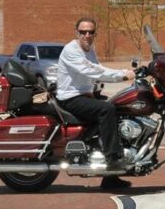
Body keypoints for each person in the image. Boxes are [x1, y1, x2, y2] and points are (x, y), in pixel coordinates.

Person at [56, 17, 134, 189]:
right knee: (107, 110)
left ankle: (110, 178)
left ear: (95, 34)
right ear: (76, 33)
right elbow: (92, 70)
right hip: (70, 97)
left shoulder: (90, 49)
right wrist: (121, 74)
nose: (87, 35)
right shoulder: (71, 50)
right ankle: (112, 159)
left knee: (119, 109)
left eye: (91, 32)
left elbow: (96, 69)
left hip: (84, 95)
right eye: (83, 32)